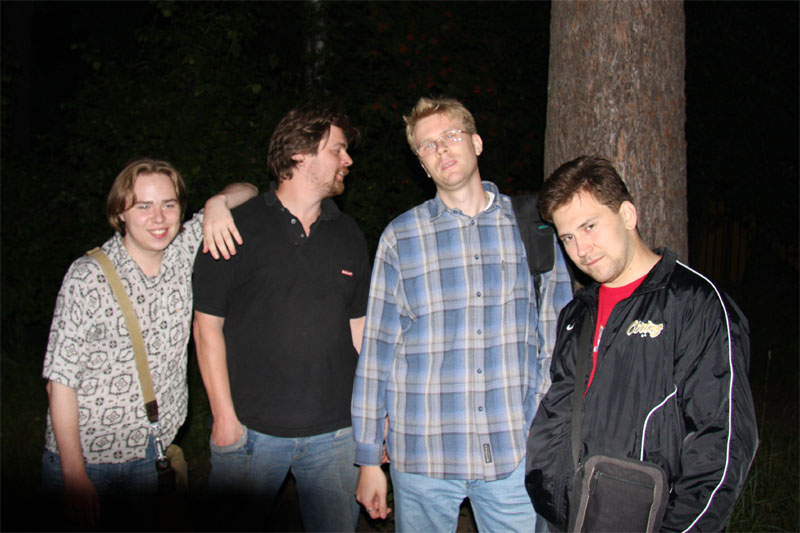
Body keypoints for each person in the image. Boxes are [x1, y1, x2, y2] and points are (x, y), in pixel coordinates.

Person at [351, 96, 573, 532]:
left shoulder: (533, 228)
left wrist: (541, 426)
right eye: (427, 145)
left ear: (476, 142)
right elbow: (377, 353)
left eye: (451, 136)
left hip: (512, 451)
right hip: (423, 455)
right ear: (421, 163)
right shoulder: (400, 237)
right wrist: (368, 458)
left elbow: (557, 339)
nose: (441, 149)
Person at [525, 155, 758, 531]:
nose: (581, 249)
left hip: (643, 520)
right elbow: (558, 410)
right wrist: (544, 485)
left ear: (628, 215)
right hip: (560, 517)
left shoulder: (694, 304)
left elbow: (722, 440)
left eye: (589, 227)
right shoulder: (577, 314)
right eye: (568, 237)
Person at [41, 157, 257, 530]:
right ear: (119, 213)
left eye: (168, 204)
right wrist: (74, 474)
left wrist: (217, 204)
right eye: (143, 206)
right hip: (86, 461)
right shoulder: (88, 277)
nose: (159, 218)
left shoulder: (183, 250)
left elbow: (249, 190)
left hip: (149, 456)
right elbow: (60, 382)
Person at [191, 103, 370, 532]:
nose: (348, 160)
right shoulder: (235, 227)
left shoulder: (348, 233)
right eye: (337, 149)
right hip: (251, 433)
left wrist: (373, 417)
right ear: (299, 153)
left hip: (337, 435)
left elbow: (361, 332)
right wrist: (224, 418)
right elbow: (206, 326)